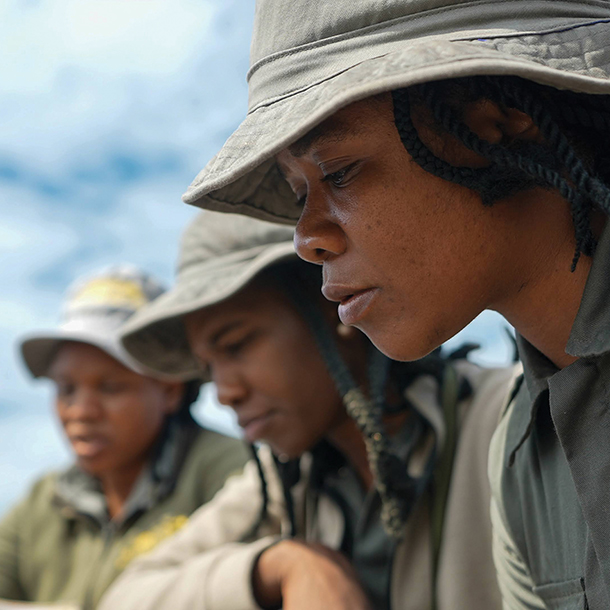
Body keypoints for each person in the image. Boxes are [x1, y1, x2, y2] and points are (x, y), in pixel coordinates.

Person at [178, 2, 610, 608]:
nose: (307, 239)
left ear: (497, 122)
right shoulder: (522, 452)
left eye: (341, 171)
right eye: (300, 193)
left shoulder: (492, 428)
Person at [99, 211, 520, 610]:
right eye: (208, 367)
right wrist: (283, 565)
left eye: (236, 346)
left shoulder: (509, 420)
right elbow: (127, 596)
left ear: (335, 304)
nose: (224, 392)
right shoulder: (286, 479)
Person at [0, 265, 249, 609]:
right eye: (66, 389)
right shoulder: (43, 502)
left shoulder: (233, 476)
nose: (81, 411)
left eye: (111, 387)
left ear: (170, 389)